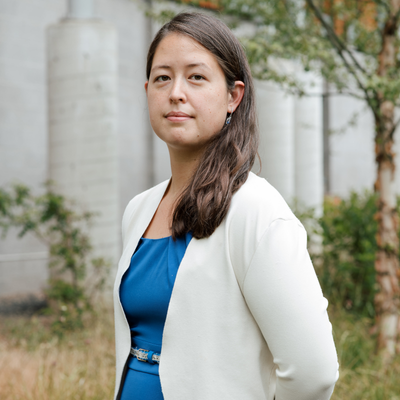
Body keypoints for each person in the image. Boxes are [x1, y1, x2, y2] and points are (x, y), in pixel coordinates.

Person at [113, 11, 339, 400]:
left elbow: (313, 373)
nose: (176, 92)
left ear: (233, 96)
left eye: (196, 77)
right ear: (147, 89)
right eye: (163, 77)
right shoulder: (139, 209)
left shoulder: (256, 212)